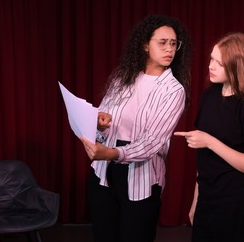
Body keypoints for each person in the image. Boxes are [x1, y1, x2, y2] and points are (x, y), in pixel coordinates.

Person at [81, 14, 191, 242]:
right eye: (162, 42)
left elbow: (151, 143)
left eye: (173, 43)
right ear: (144, 45)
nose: (169, 49)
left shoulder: (173, 90)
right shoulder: (123, 78)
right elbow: (100, 121)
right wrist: (100, 127)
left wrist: (113, 153)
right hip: (103, 172)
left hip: (141, 177)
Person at [174, 32, 244, 242]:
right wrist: (197, 199)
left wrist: (210, 141)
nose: (211, 66)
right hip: (208, 199)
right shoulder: (209, 96)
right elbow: (204, 158)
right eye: (212, 59)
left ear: (237, 67)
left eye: (219, 63)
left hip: (237, 204)